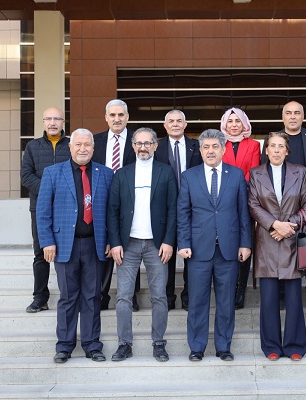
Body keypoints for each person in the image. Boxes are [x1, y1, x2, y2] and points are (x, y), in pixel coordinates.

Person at [36, 128, 113, 364]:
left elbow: (112, 211)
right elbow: (43, 211)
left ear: (93, 147)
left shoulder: (106, 174)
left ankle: (92, 345)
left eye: (87, 144)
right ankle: (64, 346)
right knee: (68, 297)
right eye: (78, 144)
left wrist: (111, 239)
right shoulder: (52, 173)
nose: (82, 149)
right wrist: (47, 242)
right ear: (70, 147)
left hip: (95, 245)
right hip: (64, 245)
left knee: (92, 296)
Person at [177, 129, 252, 362]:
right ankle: (197, 347)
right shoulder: (189, 176)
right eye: (206, 147)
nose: (210, 151)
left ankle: (223, 347)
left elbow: (243, 212)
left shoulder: (236, 175)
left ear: (223, 149)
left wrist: (245, 243)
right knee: (197, 301)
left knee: (226, 302)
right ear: (200, 151)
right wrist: (183, 242)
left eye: (215, 147)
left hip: (228, 249)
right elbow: (183, 212)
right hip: (198, 249)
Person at [107, 127, 177, 362]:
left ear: (155, 146)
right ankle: (124, 344)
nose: (143, 147)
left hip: (157, 245)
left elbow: (173, 210)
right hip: (128, 245)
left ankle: (158, 343)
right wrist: (115, 243)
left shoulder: (166, 172)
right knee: (123, 297)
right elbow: (112, 211)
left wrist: (169, 241)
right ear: (133, 146)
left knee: (159, 296)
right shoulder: (122, 174)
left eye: (148, 143)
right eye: (139, 143)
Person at [249, 132, 306, 361]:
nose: (276, 150)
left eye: (281, 146)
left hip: (291, 240)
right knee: (268, 300)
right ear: (266, 150)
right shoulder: (255, 173)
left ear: (287, 151)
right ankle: (271, 347)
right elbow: (253, 205)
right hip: (267, 240)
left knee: (294, 298)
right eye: (272, 146)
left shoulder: (300, 171)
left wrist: (289, 226)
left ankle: (295, 345)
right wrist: (274, 224)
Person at [262, 101, 306, 306]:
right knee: (283, 250)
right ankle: (282, 292)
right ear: (282, 117)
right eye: (288, 113)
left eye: (297, 113)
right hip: (280, 209)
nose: (293, 116)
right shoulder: (274, 140)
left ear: (303, 116)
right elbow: (263, 174)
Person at [20, 106, 70, 313]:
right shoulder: (33, 146)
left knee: (67, 251)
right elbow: (26, 176)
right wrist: (49, 189)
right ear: (43, 122)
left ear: (63, 122)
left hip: (67, 208)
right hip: (40, 207)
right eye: (48, 119)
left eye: (56, 119)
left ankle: (70, 295)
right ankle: (40, 297)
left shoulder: (71, 145)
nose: (52, 122)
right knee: (41, 253)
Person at [92, 99, 140, 311]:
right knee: (103, 248)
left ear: (127, 117)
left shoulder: (138, 140)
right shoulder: (96, 141)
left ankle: (132, 296)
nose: (117, 119)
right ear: (106, 117)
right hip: (101, 202)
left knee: (131, 249)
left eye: (121, 115)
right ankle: (101, 295)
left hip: (131, 202)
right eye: (112, 115)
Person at [155, 109, 202, 311]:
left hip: (192, 208)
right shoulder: (156, 147)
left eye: (179, 121)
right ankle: (168, 297)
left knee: (191, 254)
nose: (175, 124)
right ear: (165, 126)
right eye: (171, 121)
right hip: (164, 208)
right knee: (166, 255)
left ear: (185, 124)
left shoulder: (197, 146)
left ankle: (188, 297)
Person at [220, 107, 260, 309]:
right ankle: (228, 288)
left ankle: (240, 289)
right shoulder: (219, 144)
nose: (234, 125)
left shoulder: (253, 145)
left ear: (244, 123)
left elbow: (253, 172)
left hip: (245, 200)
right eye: (230, 121)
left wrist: (236, 187)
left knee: (245, 243)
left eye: (238, 121)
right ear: (224, 124)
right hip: (222, 203)